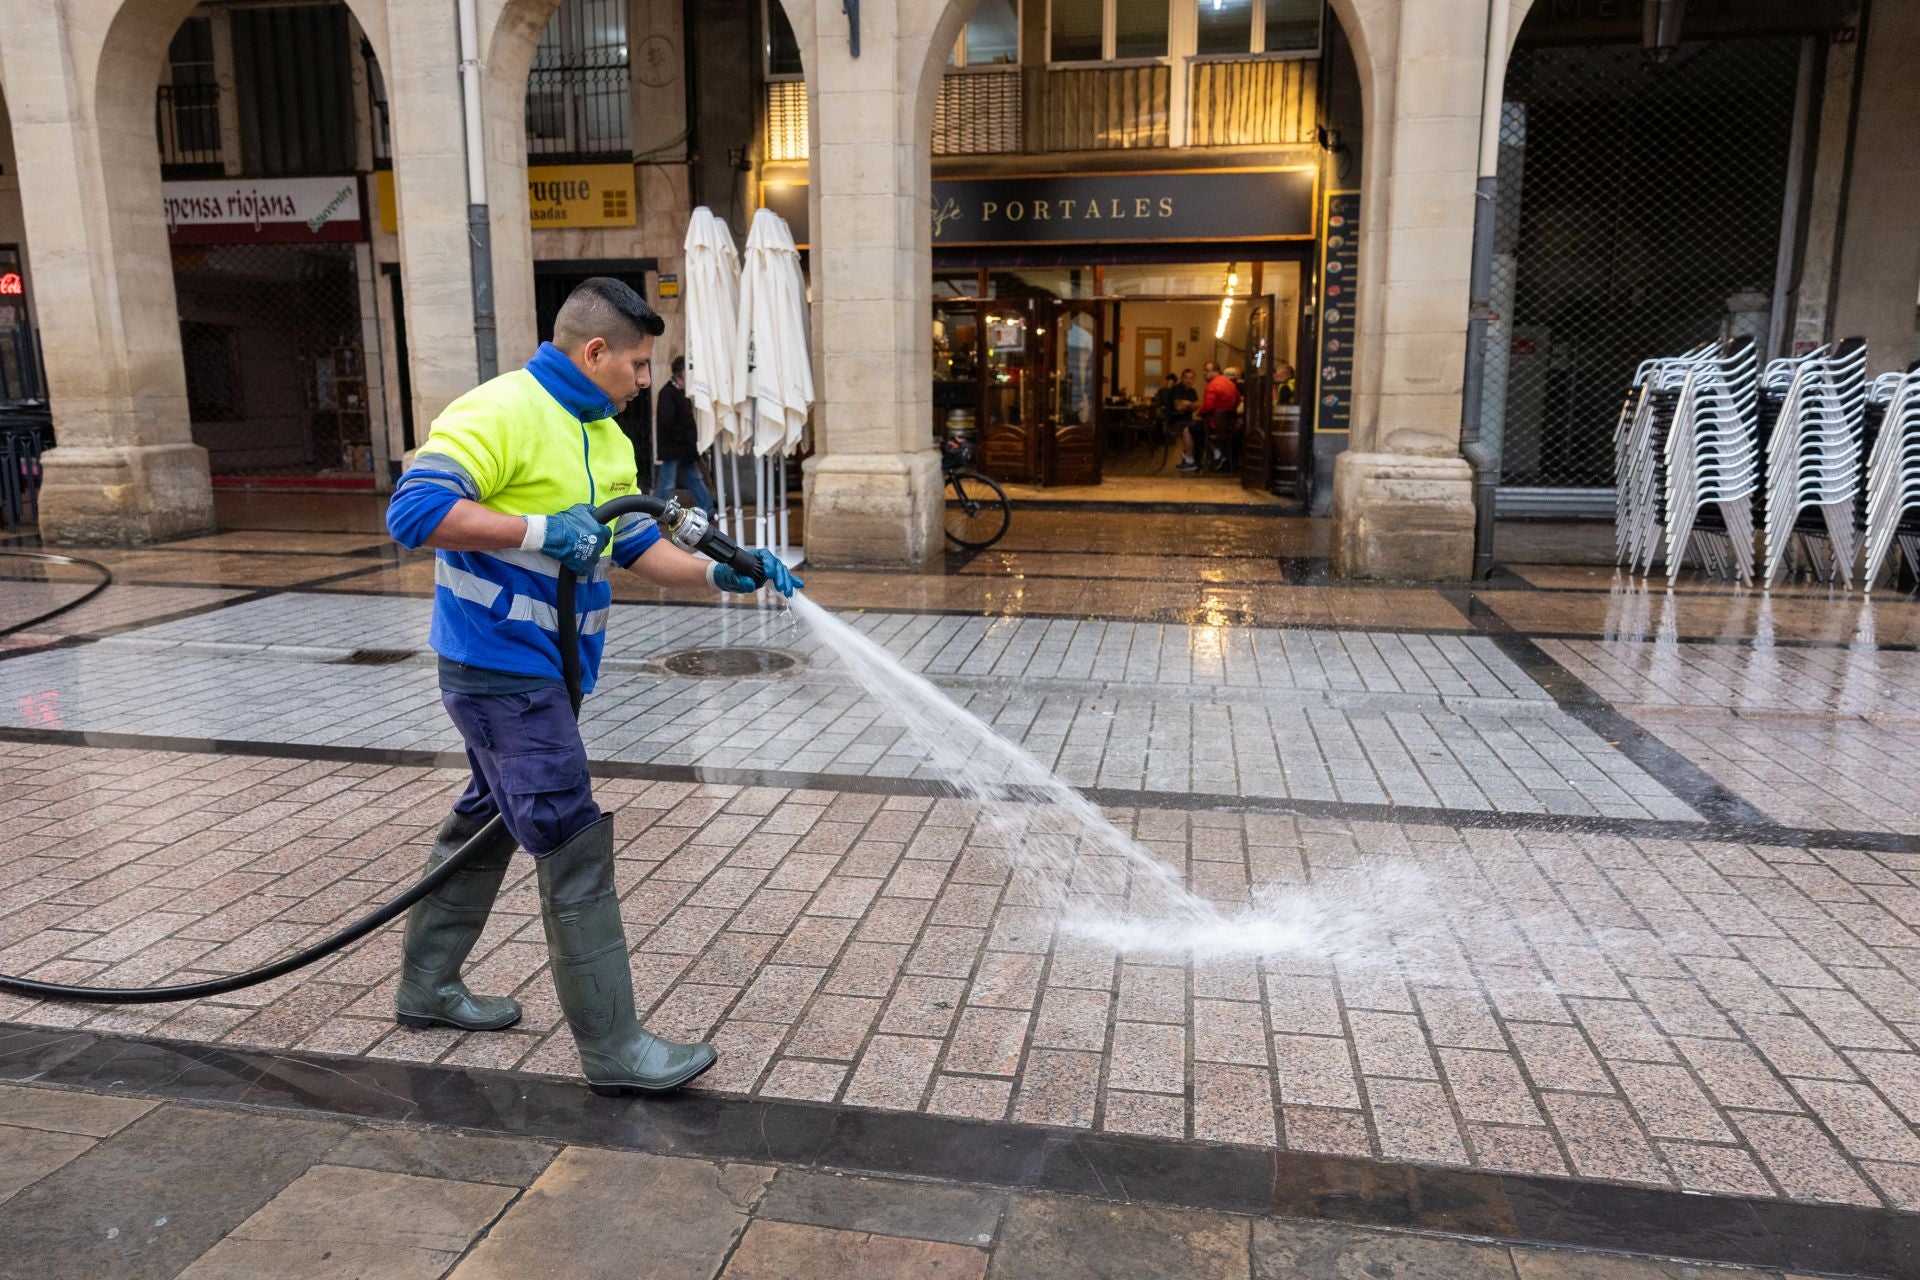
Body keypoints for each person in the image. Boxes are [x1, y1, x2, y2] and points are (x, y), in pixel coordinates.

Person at [383, 278, 800, 1095]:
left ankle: (426, 987)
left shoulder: (606, 439)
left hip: (552, 671)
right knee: (571, 836)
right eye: (640, 364)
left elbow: (640, 546)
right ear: (595, 351)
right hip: (499, 669)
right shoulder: (496, 411)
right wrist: (540, 528)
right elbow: (413, 513)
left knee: (487, 819)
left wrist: (723, 572)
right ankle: (615, 1052)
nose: (647, 380)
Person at [653, 355, 713, 511]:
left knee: (694, 478)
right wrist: (684, 439)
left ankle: (708, 509)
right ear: (681, 373)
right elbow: (668, 422)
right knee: (667, 483)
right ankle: (658, 512)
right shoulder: (668, 392)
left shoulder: (683, 393)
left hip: (684, 447)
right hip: (673, 447)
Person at [1183, 362, 1240, 474]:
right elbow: (1237, 400)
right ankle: (1218, 453)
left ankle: (1190, 461)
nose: (1204, 373)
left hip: (1214, 425)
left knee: (1188, 431)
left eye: (1206, 370)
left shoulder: (1213, 385)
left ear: (1215, 371)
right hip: (1230, 425)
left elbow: (1208, 406)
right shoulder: (1230, 383)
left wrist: (1199, 412)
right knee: (1200, 429)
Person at [1171, 367, 1201, 471]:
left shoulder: (1193, 391)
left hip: (1188, 420)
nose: (1189, 380)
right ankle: (1189, 459)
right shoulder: (1176, 389)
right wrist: (1190, 404)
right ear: (1182, 378)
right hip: (1175, 421)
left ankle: (1190, 457)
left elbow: (1198, 405)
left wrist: (1187, 403)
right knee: (1193, 428)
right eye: (1186, 378)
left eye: (1191, 378)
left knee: (1200, 427)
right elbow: (1179, 407)